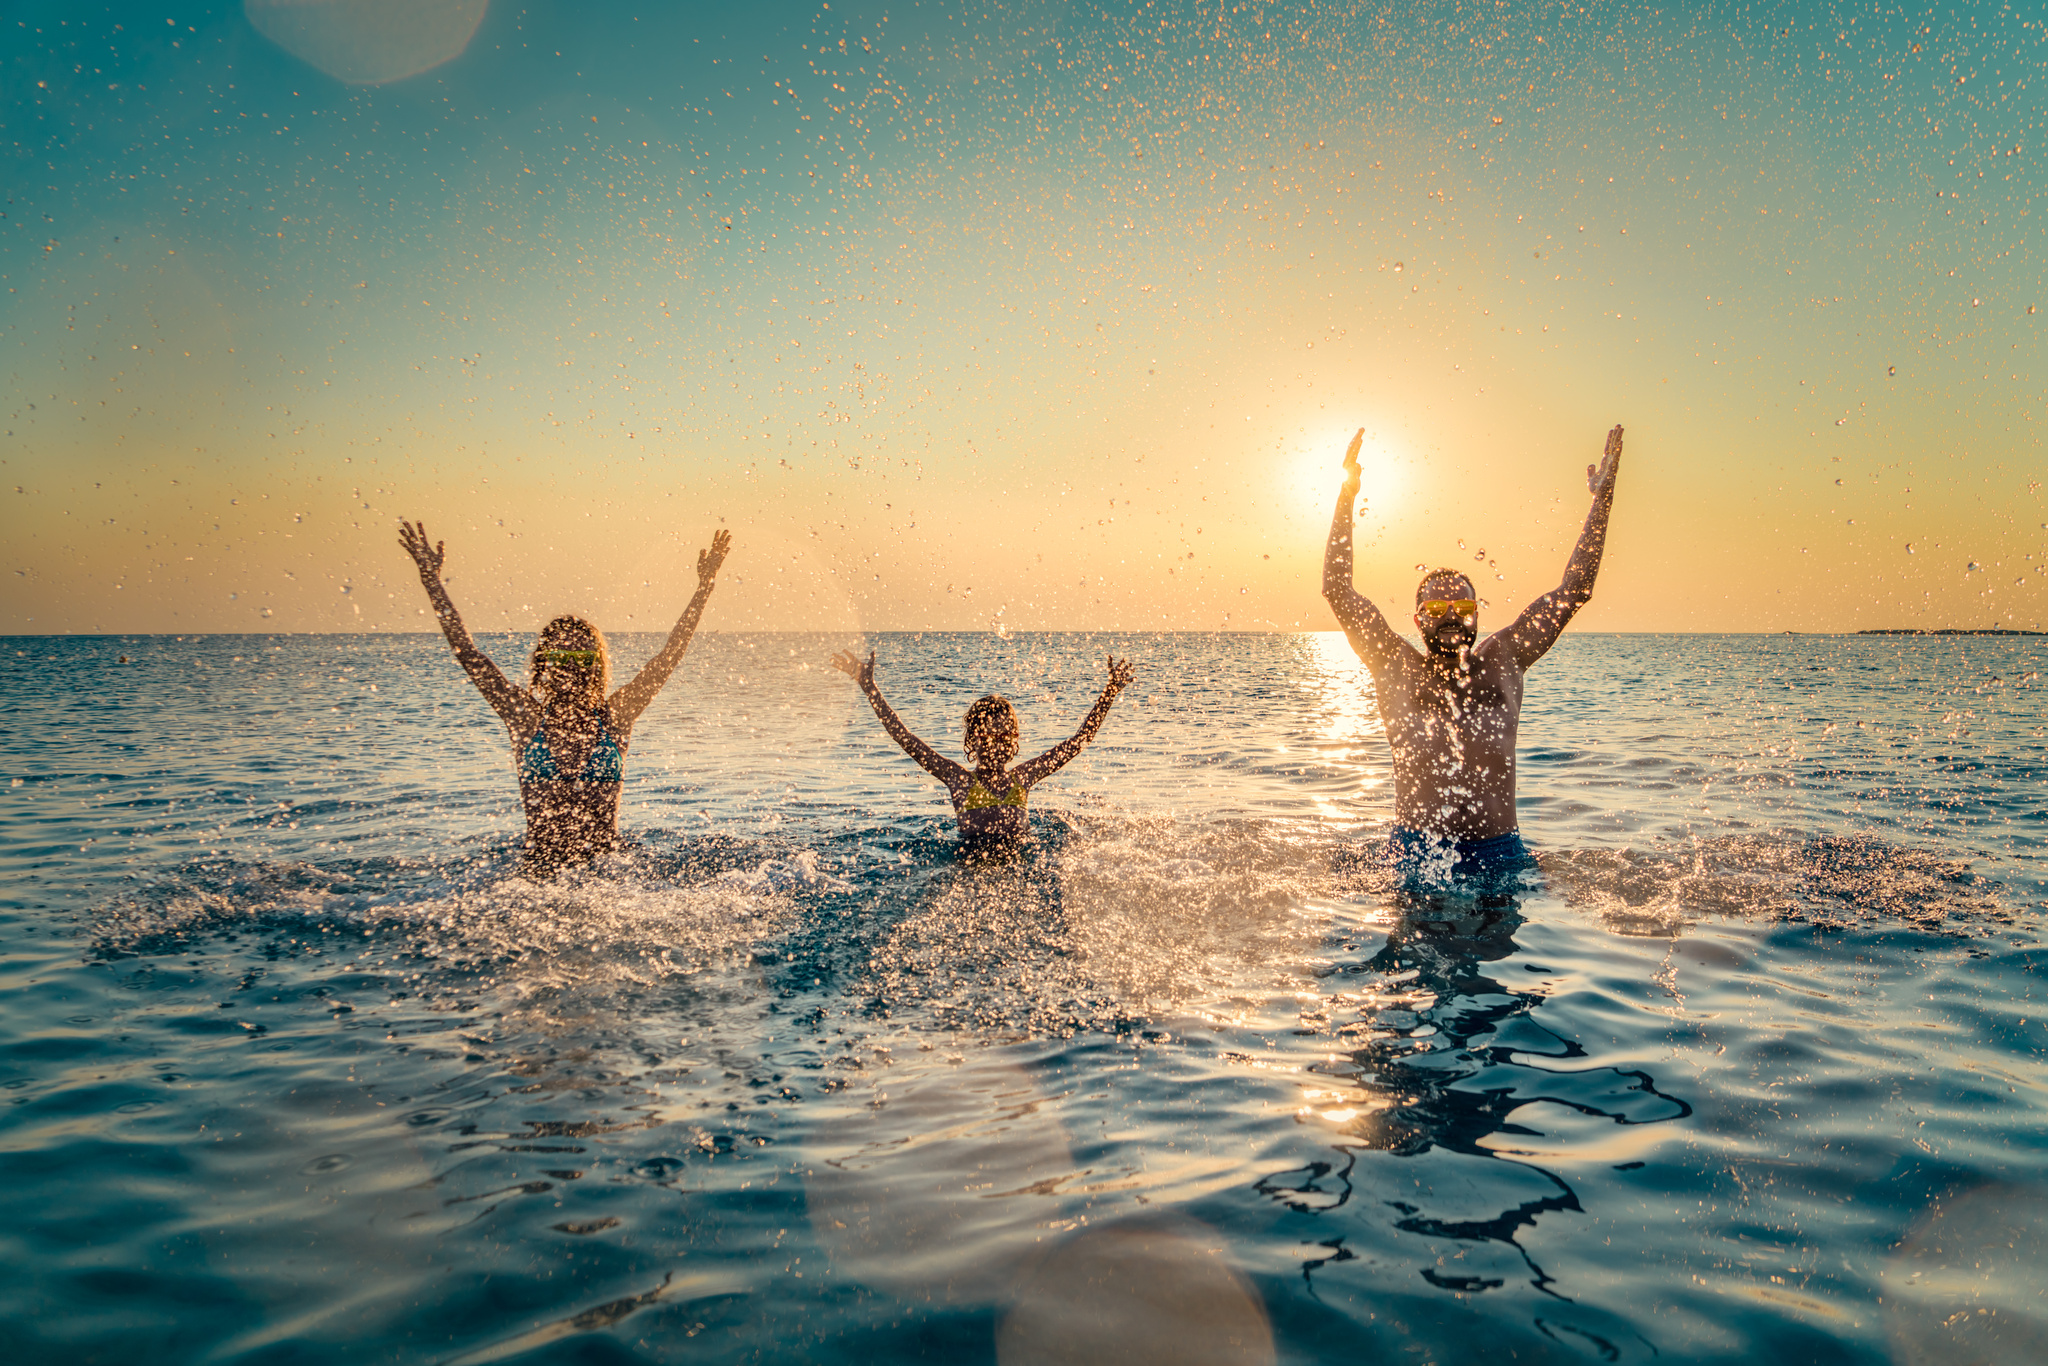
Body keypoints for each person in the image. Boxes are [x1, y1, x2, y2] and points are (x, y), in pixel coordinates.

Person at [1320, 425, 1624, 881]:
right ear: (1419, 618)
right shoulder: (1395, 665)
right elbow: (1337, 590)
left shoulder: (1505, 659)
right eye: (1437, 608)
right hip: (1414, 854)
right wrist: (1346, 494)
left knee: (1500, 948)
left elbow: (1574, 591)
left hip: (1499, 854)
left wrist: (1602, 500)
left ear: (1476, 615)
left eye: (1462, 607)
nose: (1451, 617)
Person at [398, 519, 732, 875]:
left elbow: (667, 658)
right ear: (544, 663)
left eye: (582, 658)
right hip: (536, 876)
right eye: (561, 657)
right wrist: (432, 583)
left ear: (597, 665)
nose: (572, 667)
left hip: (610, 874)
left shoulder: (616, 717)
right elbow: (469, 653)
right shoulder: (525, 719)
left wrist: (705, 587)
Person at [829, 649, 1136, 856]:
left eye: (1004, 735)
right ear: (972, 741)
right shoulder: (958, 780)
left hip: (1019, 863)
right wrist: (869, 688)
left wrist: (1109, 694)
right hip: (969, 865)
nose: (996, 743)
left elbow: (1079, 741)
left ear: (1014, 740)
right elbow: (905, 738)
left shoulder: (1023, 778)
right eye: (988, 735)